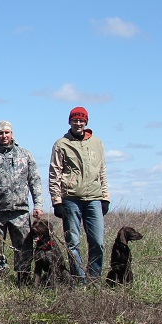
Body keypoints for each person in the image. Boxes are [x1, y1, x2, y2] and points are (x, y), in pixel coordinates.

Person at [0, 120, 43, 283]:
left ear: (12, 134)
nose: (4, 136)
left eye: (7, 132)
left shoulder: (25, 154)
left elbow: (35, 181)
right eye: (0, 133)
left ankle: (23, 277)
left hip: (20, 210)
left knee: (24, 246)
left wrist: (38, 204)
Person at [48, 106, 110, 280]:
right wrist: (57, 201)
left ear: (86, 122)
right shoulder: (61, 144)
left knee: (98, 242)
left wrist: (105, 197)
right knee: (73, 243)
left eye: (81, 120)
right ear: (70, 122)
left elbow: (102, 171)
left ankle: (94, 278)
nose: (78, 123)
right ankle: (79, 279)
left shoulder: (97, 143)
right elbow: (54, 173)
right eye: (75, 120)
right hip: (71, 199)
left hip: (94, 198)